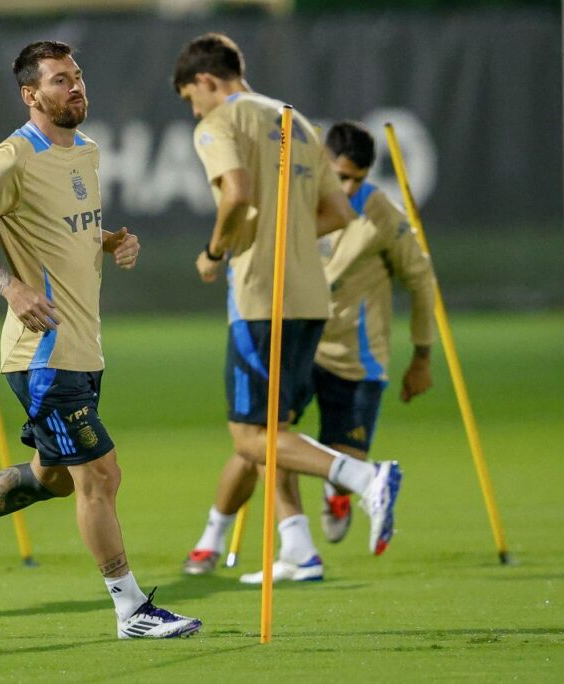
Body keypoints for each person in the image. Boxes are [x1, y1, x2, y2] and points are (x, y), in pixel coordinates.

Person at [0, 40, 201, 640]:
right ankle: (131, 610)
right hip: (41, 354)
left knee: (56, 477)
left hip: (84, 348)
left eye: (78, 76)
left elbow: (68, 235)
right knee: (101, 476)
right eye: (60, 79)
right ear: (30, 94)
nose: (75, 87)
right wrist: (11, 288)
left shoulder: (86, 152)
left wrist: (111, 240)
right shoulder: (12, 158)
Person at [172, 33, 404, 582]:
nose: (193, 110)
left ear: (205, 80)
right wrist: (288, 234)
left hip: (259, 295)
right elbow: (338, 213)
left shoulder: (220, 122)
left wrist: (214, 253)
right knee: (277, 429)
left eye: (189, 98)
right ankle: (298, 546)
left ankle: (364, 479)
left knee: (249, 437)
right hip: (308, 296)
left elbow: (236, 193)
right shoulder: (297, 122)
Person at [215, 121, 437, 584]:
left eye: (356, 177)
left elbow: (421, 280)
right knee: (276, 439)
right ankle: (297, 548)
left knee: (331, 461)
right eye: (339, 175)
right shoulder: (294, 196)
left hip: (357, 359)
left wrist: (422, 355)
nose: (347, 185)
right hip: (301, 346)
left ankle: (345, 487)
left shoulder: (382, 215)